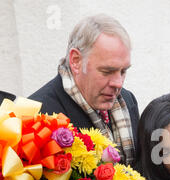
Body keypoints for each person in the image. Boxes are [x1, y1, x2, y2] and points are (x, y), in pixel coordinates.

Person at [29, 14, 139, 169]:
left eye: (123, 71)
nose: (118, 83)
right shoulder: (39, 116)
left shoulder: (128, 101)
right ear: (76, 61)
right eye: (107, 71)